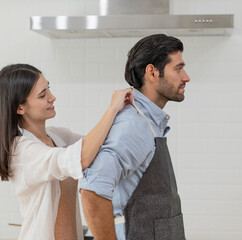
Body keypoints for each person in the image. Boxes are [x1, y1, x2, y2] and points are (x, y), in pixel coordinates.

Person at [0, 64, 133, 240]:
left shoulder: (58, 137)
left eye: (48, 88)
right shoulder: (22, 151)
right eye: (43, 95)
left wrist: (127, 112)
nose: (52, 97)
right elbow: (82, 158)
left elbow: (101, 145)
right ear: (20, 108)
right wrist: (112, 109)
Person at [80, 34, 190, 240]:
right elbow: (92, 192)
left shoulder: (149, 122)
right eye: (178, 68)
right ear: (152, 72)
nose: (186, 77)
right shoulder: (133, 124)